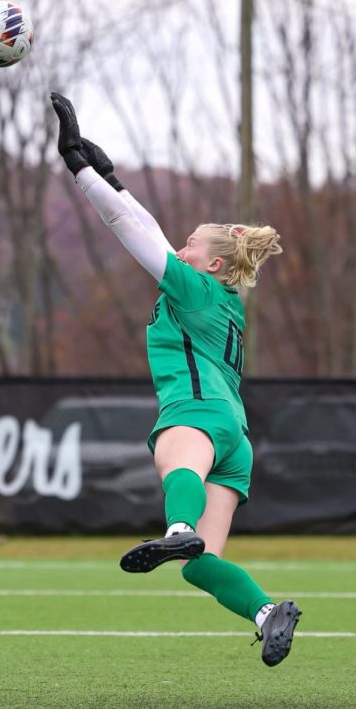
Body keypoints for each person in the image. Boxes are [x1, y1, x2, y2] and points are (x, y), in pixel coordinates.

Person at [49, 92, 302, 667]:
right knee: (200, 563)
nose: (179, 251)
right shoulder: (221, 298)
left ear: (213, 263)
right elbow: (147, 225)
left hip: (198, 410)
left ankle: (178, 525)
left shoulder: (196, 288)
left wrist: (83, 173)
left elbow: (130, 230)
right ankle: (268, 614)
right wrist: (111, 175)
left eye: (190, 247)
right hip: (236, 437)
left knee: (177, 469)